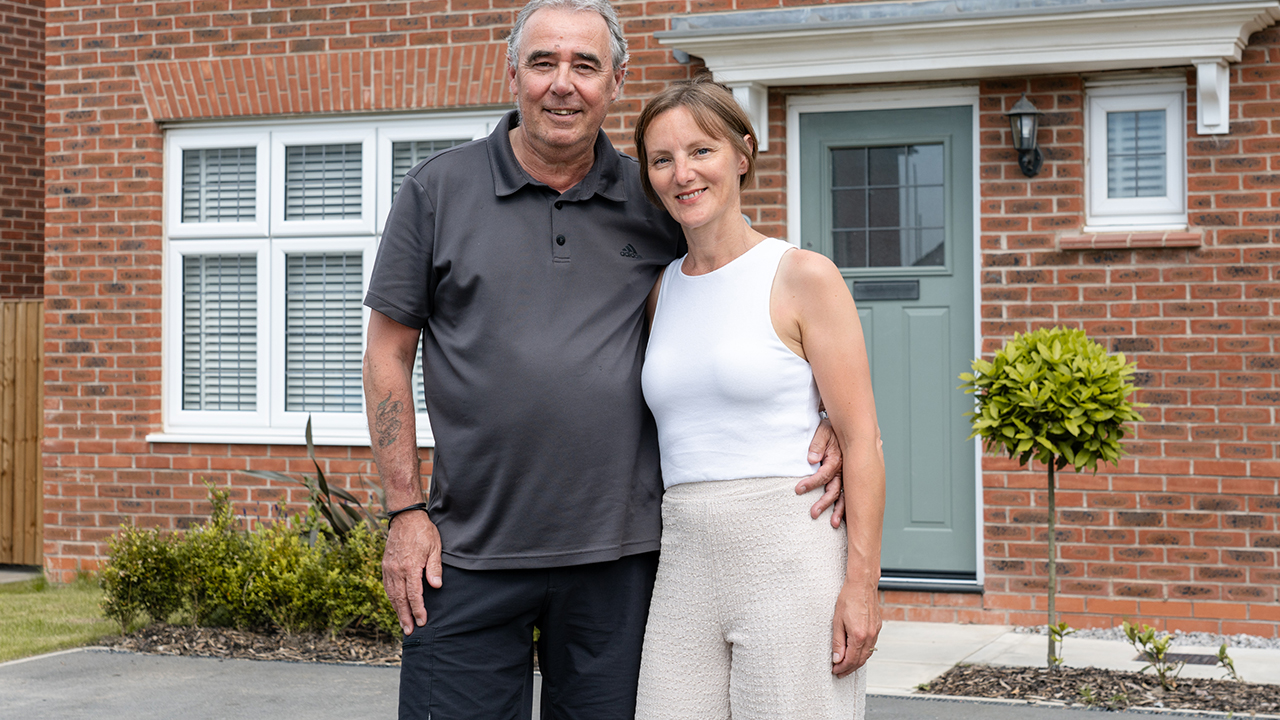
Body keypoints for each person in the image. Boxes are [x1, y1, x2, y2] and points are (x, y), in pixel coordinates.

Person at [361, 1, 846, 718]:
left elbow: (748, 286)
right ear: (512, 73)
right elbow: (387, 351)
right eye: (544, 63)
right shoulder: (438, 190)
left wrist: (829, 407)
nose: (564, 84)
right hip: (465, 554)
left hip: (619, 562)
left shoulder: (655, 194)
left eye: (585, 66)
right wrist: (405, 510)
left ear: (616, 81)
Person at [632, 76, 886, 720]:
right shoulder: (661, 289)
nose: (681, 173)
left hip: (788, 555)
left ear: (742, 153)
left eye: (701, 151)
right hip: (684, 559)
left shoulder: (802, 275)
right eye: (661, 159)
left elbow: (862, 443)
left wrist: (862, 586)